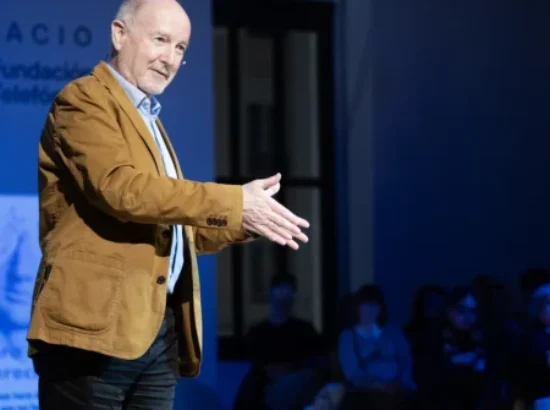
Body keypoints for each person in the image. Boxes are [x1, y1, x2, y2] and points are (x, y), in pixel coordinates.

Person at [25, 0, 310, 408]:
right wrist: (233, 200)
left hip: (156, 335)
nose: (170, 59)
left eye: (180, 48)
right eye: (160, 40)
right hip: (91, 334)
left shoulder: (150, 121)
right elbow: (121, 190)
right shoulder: (84, 100)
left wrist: (247, 219)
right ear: (119, 34)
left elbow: (171, 228)